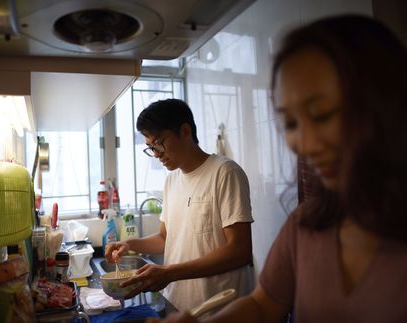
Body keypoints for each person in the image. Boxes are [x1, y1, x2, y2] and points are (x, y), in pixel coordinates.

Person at [149, 14, 407, 323]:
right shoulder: (306, 225)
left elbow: (239, 252)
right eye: (291, 123)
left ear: (385, 103)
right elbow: (262, 305)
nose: (305, 145)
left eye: (322, 114)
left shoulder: (224, 172)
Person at [104, 98, 254, 311]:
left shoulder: (224, 172)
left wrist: (170, 272)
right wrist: (130, 244)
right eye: (150, 148)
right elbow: (166, 238)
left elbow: (240, 251)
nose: (156, 154)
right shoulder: (172, 180)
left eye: (159, 144)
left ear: (185, 131)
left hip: (219, 307)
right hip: (178, 303)